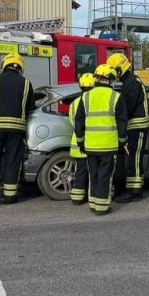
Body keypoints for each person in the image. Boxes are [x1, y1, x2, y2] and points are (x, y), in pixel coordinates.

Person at [74, 64, 128, 215]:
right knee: (105, 175)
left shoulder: (85, 97)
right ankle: (102, 206)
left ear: (97, 77)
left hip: (90, 145)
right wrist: (123, 141)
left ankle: (93, 204)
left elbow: (79, 122)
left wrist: (80, 141)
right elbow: (122, 123)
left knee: (93, 174)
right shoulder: (116, 97)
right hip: (108, 145)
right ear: (111, 80)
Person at [0, 53, 35, 205]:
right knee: (12, 161)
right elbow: (31, 107)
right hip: (17, 130)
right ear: (20, 67)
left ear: (4, 65)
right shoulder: (26, 83)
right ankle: (10, 196)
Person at [107, 52, 149, 203]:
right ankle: (131, 190)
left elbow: (127, 108)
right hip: (134, 127)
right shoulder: (129, 82)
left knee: (134, 159)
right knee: (130, 159)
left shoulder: (132, 83)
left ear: (119, 70)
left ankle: (135, 192)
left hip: (137, 128)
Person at [68, 73, 95, 206]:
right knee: (93, 173)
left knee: (79, 171)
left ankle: (77, 198)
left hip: (77, 144)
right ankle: (92, 197)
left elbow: (73, 123)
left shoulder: (74, 103)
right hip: (91, 143)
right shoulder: (93, 100)